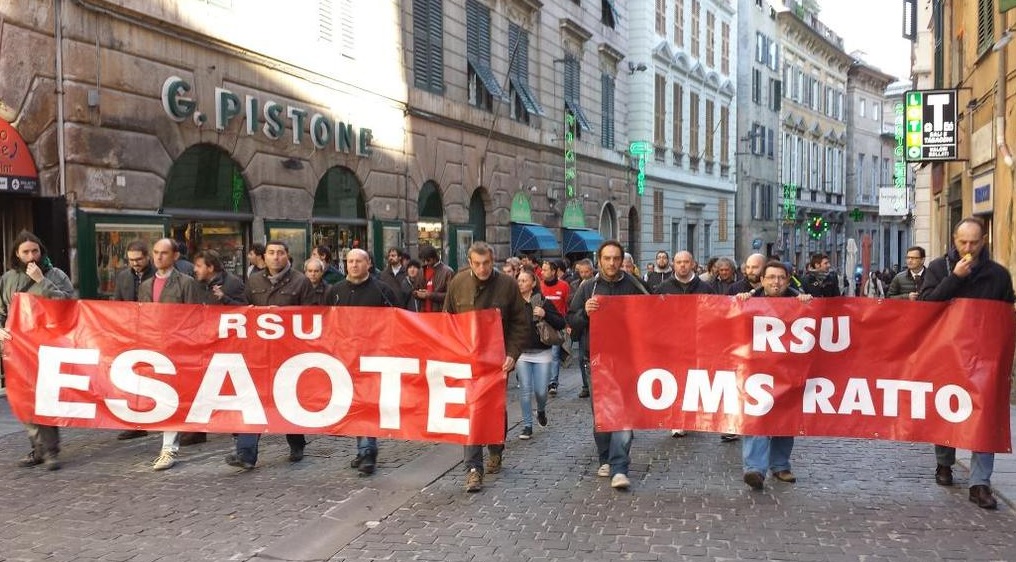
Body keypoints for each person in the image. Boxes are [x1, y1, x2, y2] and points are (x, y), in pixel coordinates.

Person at [919, 218, 1014, 510]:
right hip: (947, 352)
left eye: (974, 242)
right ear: (954, 239)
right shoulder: (938, 268)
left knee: (984, 417)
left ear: (983, 240)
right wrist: (955, 278)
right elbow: (925, 306)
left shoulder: (998, 275)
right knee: (946, 409)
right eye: (963, 242)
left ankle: (980, 483)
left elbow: (1006, 313)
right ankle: (944, 463)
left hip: (985, 356)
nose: (968, 248)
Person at [444, 241, 528, 493]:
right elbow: (447, 319)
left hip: (497, 360)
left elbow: (520, 324)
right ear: (470, 262)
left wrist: (513, 353)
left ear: (493, 261)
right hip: (467, 358)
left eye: (487, 263)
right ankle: (473, 469)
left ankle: (496, 447)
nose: (482, 268)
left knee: (493, 408)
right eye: (477, 263)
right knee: (471, 412)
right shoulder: (457, 283)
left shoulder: (508, 286)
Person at [227, 240, 317, 470]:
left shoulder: (301, 282)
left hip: (290, 353)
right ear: (264, 256)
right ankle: (246, 453)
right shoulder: (254, 281)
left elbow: (313, 315)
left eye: (280, 253)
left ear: (287, 256)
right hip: (260, 352)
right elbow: (244, 311)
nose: (275, 257)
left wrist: (285, 316)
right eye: (271, 253)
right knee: (254, 399)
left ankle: (297, 442)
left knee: (287, 399)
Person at [567, 240, 648, 491]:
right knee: (602, 412)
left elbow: (656, 313)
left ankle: (620, 466)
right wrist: (584, 313)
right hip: (596, 359)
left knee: (623, 412)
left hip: (629, 358)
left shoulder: (635, 285)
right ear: (599, 260)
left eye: (616, 258)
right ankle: (605, 457)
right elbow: (572, 325)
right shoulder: (587, 288)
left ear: (622, 260)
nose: (612, 263)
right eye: (607, 258)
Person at [735, 261, 813, 490]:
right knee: (756, 415)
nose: (776, 282)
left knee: (785, 418)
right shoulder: (748, 300)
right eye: (771, 277)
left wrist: (807, 304)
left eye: (781, 278)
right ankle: (754, 469)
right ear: (762, 280)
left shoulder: (800, 301)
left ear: (788, 280)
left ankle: (780, 465)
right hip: (755, 370)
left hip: (788, 370)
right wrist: (739, 303)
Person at [0, 231, 74, 470]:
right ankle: (37, 448)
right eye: (25, 252)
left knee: (45, 397)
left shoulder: (56, 275)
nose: (31, 256)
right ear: (16, 254)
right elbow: (2, 310)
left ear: (41, 252)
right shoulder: (8, 278)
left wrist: (42, 280)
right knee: (23, 399)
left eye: (35, 251)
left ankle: (51, 451)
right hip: (17, 348)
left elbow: (67, 305)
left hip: (47, 346)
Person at [325, 249, 399, 476]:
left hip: (374, 357)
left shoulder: (382, 290)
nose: (354, 265)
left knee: (368, 404)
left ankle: (368, 451)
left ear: (368, 264)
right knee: (355, 405)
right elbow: (326, 321)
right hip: (345, 359)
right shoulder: (335, 291)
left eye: (359, 261)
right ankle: (362, 449)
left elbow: (397, 321)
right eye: (350, 261)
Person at [138, 238, 203, 470]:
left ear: (175, 256)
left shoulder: (186, 283)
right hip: (155, 347)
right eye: (155, 252)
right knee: (162, 397)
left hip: (179, 349)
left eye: (163, 253)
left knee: (173, 397)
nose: (158, 257)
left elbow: (196, 318)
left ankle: (169, 449)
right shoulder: (146, 285)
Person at [656, 250, 716, 439]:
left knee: (694, 381)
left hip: (698, 343)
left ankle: (692, 415)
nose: (682, 265)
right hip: (672, 344)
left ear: (693, 264)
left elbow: (716, 312)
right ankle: (677, 420)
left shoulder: (705, 288)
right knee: (675, 381)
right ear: (674, 264)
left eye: (686, 262)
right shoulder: (663, 288)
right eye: (679, 262)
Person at [111, 239, 157, 440]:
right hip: (131, 332)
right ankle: (136, 422)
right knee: (134, 377)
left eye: (139, 259)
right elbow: (117, 303)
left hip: (155, 331)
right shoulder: (123, 277)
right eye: (131, 260)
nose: (135, 263)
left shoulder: (157, 275)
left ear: (147, 257)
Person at [515, 267, 566, 441]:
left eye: (524, 280)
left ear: (533, 283)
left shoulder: (543, 302)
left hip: (542, 352)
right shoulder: (513, 303)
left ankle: (541, 409)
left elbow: (560, 323)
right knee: (525, 390)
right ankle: (527, 426)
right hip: (521, 353)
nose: (520, 283)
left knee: (541, 391)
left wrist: (545, 314)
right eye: (519, 280)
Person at [539, 259, 570, 396]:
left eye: (545, 270)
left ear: (553, 271)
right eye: (542, 269)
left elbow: (568, 306)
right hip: (542, 326)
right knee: (543, 355)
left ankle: (553, 382)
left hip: (557, 325)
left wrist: (568, 325)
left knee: (554, 354)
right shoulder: (539, 286)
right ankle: (543, 380)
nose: (542, 272)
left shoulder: (564, 286)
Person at [568, 258, 596, 398]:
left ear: (592, 271)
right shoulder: (574, 284)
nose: (584, 274)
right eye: (581, 272)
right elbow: (571, 303)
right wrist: (580, 290)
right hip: (581, 326)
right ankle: (586, 385)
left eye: (587, 272)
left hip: (593, 326)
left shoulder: (595, 284)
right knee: (581, 358)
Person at [414, 244, 453, 312]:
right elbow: (416, 288)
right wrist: (416, 294)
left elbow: (450, 295)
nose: (426, 263)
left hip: (439, 313)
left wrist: (430, 295)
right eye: (423, 261)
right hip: (423, 313)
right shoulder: (421, 271)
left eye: (428, 260)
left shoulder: (447, 272)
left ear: (435, 257)